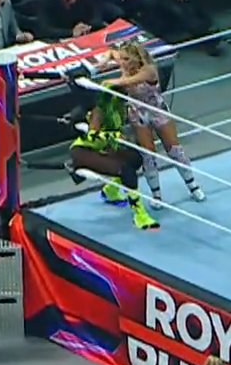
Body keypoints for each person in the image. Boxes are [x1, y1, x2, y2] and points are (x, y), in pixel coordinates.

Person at [103, 42, 203, 208]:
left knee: (175, 150)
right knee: (148, 156)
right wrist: (105, 60)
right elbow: (112, 52)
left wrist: (109, 82)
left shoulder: (148, 70)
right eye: (122, 59)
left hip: (157, 110)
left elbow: (128, 81)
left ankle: (193, 186)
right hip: (138, 114)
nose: (123, 62)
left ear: (137, 58)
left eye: (127, 59)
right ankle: (157, 195)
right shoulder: (125, 62)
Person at [64, 83, 159, 231]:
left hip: (101, 148)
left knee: (135, 158)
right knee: (126, 171)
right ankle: (140, 215)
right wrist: (113, 136)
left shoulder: (119, 109)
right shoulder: (99, 110)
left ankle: (110, 191)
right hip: (84, 151)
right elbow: (92, 136)